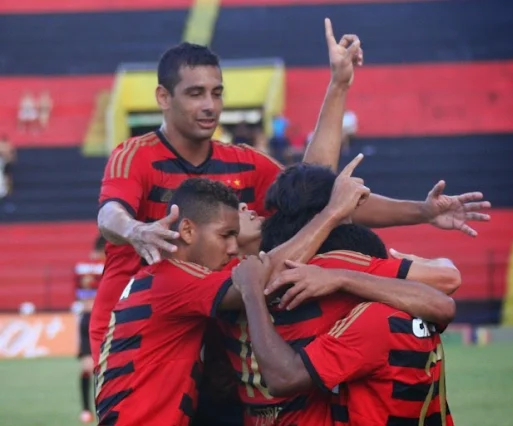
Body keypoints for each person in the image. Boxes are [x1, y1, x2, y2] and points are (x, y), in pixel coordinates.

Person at [91, 20, 369, 368]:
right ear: (163, 97)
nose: (210, 105)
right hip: (137, 339)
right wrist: (135, 230)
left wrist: (338, 84)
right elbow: (109, 214)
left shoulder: (244, 162)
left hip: (217, 337)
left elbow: (311, 189)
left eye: (217, 93)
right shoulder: (135, 156)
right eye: (196, 93)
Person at [94, 168, 369, 425]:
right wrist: (332, 212)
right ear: (187, 231)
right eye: (225, 235)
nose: (232, 247)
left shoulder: (166, 278)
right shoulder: (173, 278)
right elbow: (262, 280)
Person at [213, 162, 460, 426]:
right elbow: (448, 284)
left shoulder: (236, 279)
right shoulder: (335, 264)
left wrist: (339, 278)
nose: (245, 207)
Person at [74, 236, 106, 424]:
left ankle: (95, 408)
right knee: (89, 367)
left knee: (96, 368)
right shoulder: (99, 266)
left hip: (93, 318)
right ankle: (87, 409)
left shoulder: (82, 266)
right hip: (91, 318)